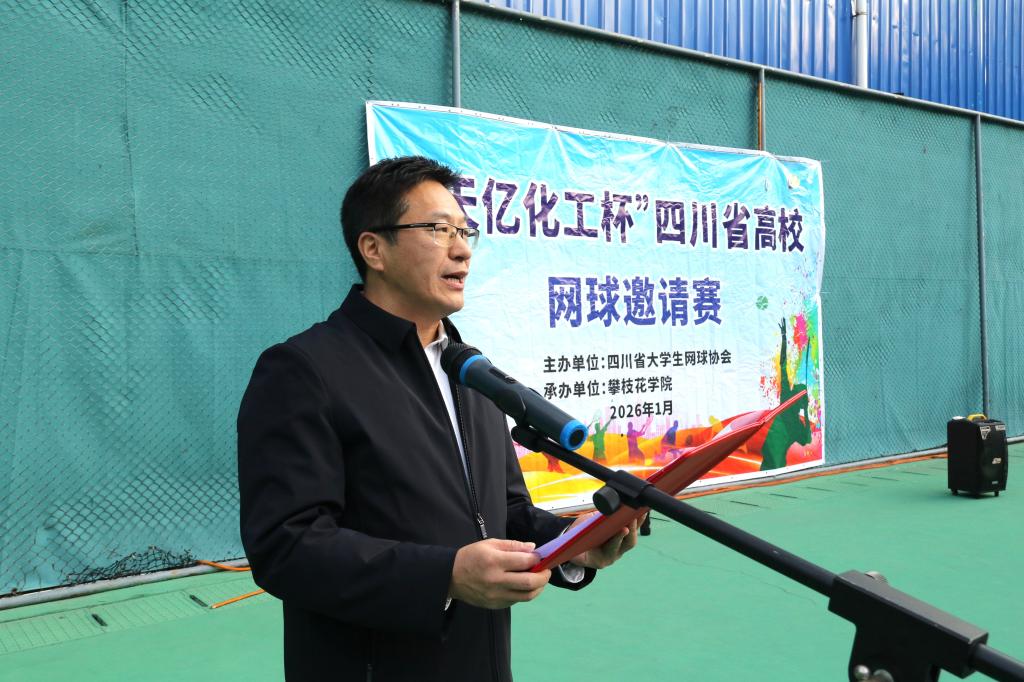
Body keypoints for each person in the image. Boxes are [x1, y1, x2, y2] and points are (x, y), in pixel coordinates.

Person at [237, 156, 639, 681]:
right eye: (437, 229)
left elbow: (505, 511)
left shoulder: (470, 370)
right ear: (374, 249)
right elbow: (286, 546)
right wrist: (445, 576)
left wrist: (571, 542)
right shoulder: (304, 370)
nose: (462, 249)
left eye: (464, 231)